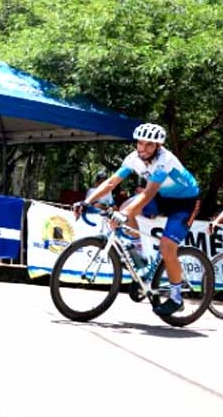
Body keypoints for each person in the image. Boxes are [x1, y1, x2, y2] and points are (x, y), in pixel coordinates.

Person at [79, 123, 200, 317]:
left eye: (149, 145)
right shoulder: (133, 158)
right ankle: (141, 257)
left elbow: (149, 192)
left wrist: (125, 215)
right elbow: (111, 182)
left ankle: (177, 298)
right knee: (126, 207)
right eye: (140, 144)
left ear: (158, 146)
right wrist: (86, 202)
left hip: (184, 203)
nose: (143, 149)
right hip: (162, 198)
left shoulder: (165, 160)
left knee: (167, 248)